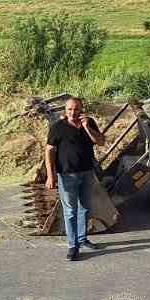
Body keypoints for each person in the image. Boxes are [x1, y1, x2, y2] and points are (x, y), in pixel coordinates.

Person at [44, 97, 105, 261]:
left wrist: (87, 127)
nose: (73, 112)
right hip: (67, 175)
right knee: (70, 211)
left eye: (76, 109)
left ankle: (82, 238)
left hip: (86, 173)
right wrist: (51, 175)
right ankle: (73, 246)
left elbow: (101, 142)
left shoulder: (89, 123)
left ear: (82, 109)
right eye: (70, 109)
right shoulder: (58, 128)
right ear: (65, 110)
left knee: (85, 208)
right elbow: (49, 151)